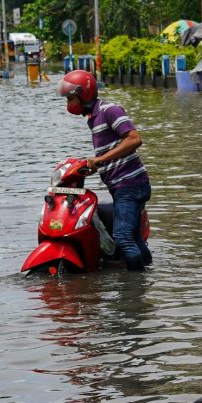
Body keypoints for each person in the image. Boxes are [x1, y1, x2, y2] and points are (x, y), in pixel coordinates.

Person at [57, 69, 152, 271]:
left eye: (70, 99)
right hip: (122, 185)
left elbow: (134, 139)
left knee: (123, 237)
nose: (69, 105)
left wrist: (99, 159)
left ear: (84, 94)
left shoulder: (110, 110)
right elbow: (112, 151)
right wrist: (93, 166)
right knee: (134, 237)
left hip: (131, 184)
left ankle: (135, 288)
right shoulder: (94, 117)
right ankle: (148, 271)